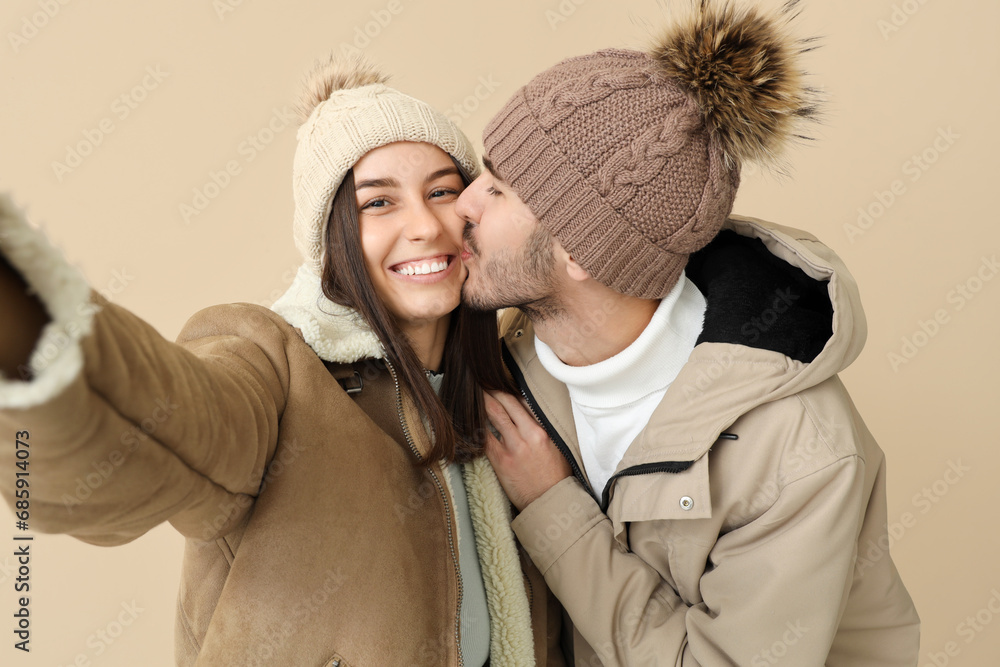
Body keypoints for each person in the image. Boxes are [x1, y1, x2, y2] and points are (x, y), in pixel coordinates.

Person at [0, 58, 563, 666]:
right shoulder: (271, 363)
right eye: (378, 203)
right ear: (332, 238)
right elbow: (160, 438)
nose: (425, 226)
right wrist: (36, 333)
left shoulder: (517, 384)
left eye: (442, 192)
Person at [456, 2, 920, 665]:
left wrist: (553, 506)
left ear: (583, 251)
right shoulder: (502, 365)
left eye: (499, 190)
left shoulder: (798, 453)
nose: (463, 202)